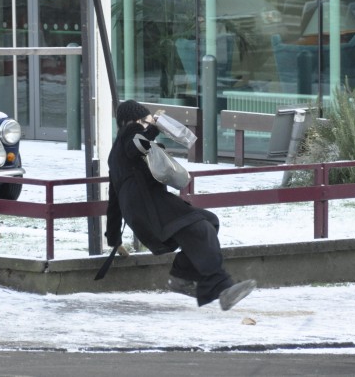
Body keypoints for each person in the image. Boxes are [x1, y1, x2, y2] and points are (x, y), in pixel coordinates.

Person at [105, 100, 256, 310]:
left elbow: (114, 200)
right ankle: (222, 289)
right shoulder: (128, 136)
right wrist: (152, 128)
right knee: (200, 229)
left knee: (209, 222)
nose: (149, 122)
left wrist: (113, 238)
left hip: (150, 208)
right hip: (149, 209)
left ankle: (182, 278)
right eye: (145, 119)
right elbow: (135, 146)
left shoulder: (116, 153)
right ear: (134, 121)